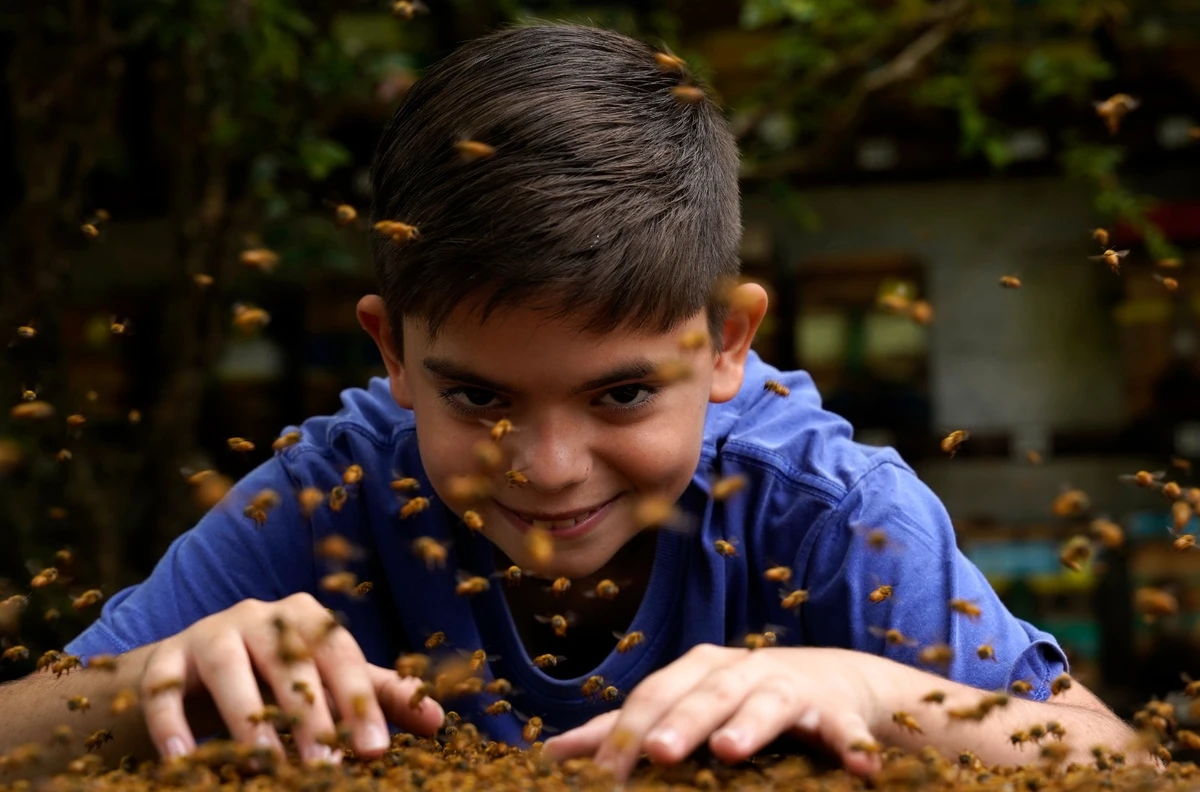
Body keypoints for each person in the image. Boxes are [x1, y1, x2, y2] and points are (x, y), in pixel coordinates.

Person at [0, 22, 1137, 781]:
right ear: (392, 353)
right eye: (479, 395)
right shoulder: (329, 492)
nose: (546, 466)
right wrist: (146, 680)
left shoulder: (828, 512)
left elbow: (1124, 765)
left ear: (728, 342)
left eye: (624, 393)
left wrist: (869, 687)